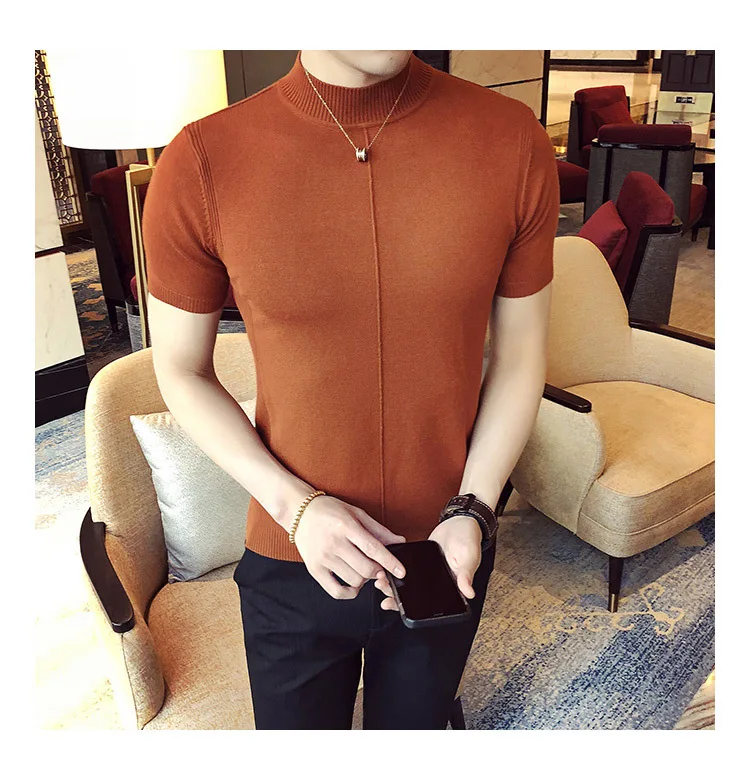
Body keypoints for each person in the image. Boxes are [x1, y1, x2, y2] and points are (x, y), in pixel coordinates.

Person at [142, 49, 559, 730]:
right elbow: (181, 369)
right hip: (291, 550)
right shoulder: (202, 160)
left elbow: (519, 358)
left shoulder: (512, 139)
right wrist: (297, 509)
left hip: (448, 547)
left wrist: (475, 509)